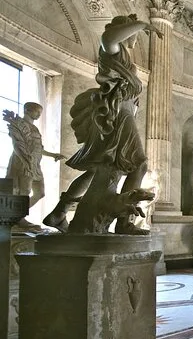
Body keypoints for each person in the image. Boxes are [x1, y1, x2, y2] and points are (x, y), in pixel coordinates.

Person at [43, 14, 162, 234]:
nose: (135, 38)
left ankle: (59, 212)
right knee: (139, 165)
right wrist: (141, 24)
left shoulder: (123, 57)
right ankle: (124, 223)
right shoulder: (114, 51)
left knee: (97, 170)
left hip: (120, 113)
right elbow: (108, 38)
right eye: (133, 33)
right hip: (118, 114)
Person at [3, 102, 64, 228]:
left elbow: (38, 149)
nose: (39, 114)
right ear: (27, 110)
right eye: (37, 111)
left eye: (40, 112)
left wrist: (53, 155)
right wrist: (25, 160)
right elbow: (17, 145)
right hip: (23, 161)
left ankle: (16, 215)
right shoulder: (19, 124)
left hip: (35, 163)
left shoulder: (34, 128)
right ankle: (19, 219)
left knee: (40, 192)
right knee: (24, 191)